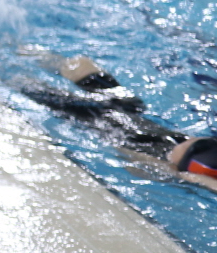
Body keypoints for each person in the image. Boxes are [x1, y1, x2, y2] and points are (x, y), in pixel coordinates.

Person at [19, 51, 217, 191]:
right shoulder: (170, 157)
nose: (192, 139)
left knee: (44, 84)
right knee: (75, 71)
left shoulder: (162, 163)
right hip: (119, 115)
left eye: (195, 146)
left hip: (112, 116)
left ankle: (20, 62)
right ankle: (19, 59)